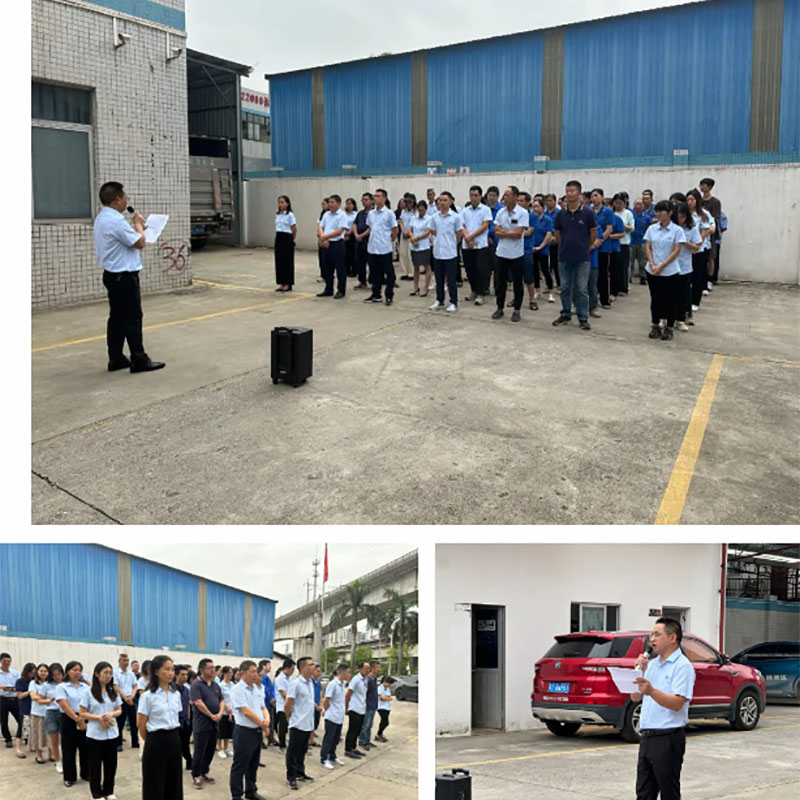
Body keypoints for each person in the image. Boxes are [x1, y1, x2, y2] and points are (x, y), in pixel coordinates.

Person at [94, 181, 164, 373]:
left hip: (112, 275)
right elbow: (139, 242)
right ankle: (139, 359)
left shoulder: (102, 218)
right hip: (123, 277)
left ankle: (116, 358)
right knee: (133, 317)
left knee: (117, 317)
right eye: (126, 198)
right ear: (117, 200)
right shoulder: (115, 221)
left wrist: (135, 227)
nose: (127, 201)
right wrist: (139, 225)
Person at [631, 617, 696, 800]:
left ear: (672, 637)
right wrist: (638, 672)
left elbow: (677, 703)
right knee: (644, 793)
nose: (652, 639)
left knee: (669, 793)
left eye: (657, 635)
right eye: (651, 635)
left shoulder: (682, 666)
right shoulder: (651, 665)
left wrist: (651, 691)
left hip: (668, 738)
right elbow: (635, 697)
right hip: (647, 736)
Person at [137, 654, 183, 800]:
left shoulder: (176, 694)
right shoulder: (147, 696)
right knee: (154, 782)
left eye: (172, 669)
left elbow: (177, 716)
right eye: (166, 669)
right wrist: (152, 740)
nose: (171, 673)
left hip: (174, 739)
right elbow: (141, 724)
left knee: (174, 781)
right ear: (156, 671)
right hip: (156, 741)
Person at [552, 180, 597, 331]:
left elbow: (593, 232)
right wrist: (565, 244)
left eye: (572, 191)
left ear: (579, 193)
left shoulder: (588, 213)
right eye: (567, 191)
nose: (569, 194)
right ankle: (565, 313)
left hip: (582, 257)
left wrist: (587, 245)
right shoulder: (561, 214)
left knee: (582, 289)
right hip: (564, 256)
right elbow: (557, 233)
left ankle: (583, 317)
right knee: (565, 287)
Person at [79, 661, 122, 800]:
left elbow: (119, 710)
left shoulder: (113, 692)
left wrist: (111, 714)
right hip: (95, 735)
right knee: (95, 766)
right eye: (105, 673)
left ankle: (109, 791)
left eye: (110, 673)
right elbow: (82, 713)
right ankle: (96, 794)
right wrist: (98, 717)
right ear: (97, 674)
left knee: (111, 765)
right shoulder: (88, 692)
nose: (108, 676)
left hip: (112, 733)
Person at [644, 200, 685, 341]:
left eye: (661, 211)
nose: (658, 214)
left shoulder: (677, 230)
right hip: (652, 270)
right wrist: (652, 263)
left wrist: (661, 266)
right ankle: (655, 324)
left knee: (670, 300)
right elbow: (648, 246)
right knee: (655, 298)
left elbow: (676, 250)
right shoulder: (652, 229)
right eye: (657, 211)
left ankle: (669, 327)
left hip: (670, 271)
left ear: (670, 213)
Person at [229, 660, 270, 800]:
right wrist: (262, 723)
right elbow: (246, 711)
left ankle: (251, 790)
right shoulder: (237, 690)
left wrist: (267, 720)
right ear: (242, 673)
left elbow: (263, 707)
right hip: (244, 732)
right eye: (252, 672)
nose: (255, 675)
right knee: (240, 765)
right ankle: (236, 795)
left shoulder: (257, 689)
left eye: (256, 672)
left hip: (256, 731)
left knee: (253, 764)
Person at [491, 186, 529, 323]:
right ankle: (499, 307)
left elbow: (518, 234)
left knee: (517, 283)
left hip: (516, 254)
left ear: (515, 196)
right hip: (501, 252)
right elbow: (496, 231)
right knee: (500, 282)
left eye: (507, 195)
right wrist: (508, 233)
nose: (505, 198)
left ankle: (517, 310)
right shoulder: (501, 212)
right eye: (504, 195)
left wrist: (504, 232)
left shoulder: (522, 213)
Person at [189, 657, 225, 790]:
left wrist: (220, 713)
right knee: (199, 751)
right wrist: (211, 715)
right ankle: (196, 774)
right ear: (201, 670)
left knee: (210, 750)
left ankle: (205, 771)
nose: (213, 670)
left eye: (213, 668)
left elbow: (222, 701)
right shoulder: (196, 685)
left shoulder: (215, 685)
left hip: (214, 723)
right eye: (210, 668)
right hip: (202, 724)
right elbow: (198, 703)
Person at [427, 193, 464, 312]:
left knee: (451, 280)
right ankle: (440, 300)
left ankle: (453, 302)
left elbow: (459, 233)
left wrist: (451, 242)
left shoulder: (455, 217)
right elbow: (432, 231)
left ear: (450, 202)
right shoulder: (434, 217)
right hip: (438, 252)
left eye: (445, 200)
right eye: (440, 200)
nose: (442, 202)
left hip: (450, 253)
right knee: (439, 279)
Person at [284, 656, 316, 790]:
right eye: (311, 665)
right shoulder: (295, 684)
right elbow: (288, 704)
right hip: (297, 723)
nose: (314, 667)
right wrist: (289, 717)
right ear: (303, 668)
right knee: (293, 752)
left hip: (307, 723)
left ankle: (300, 772)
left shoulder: (310, 683)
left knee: (302, 751)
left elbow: (308, 703)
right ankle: (291, 777)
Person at [363, 189, 399, 306]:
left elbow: (395, 230)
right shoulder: (371, 214)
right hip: (373, 248)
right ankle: (376, 294)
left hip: (385, 248)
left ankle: (389, 295)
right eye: (374, 196)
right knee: (374, 273)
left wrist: (390, 240)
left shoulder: (389, 213)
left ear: (384, 198)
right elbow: (370, 227)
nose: (375, 198)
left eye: (378, 196)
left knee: (389, 273)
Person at [57, 661, 89, 787]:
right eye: (74, 670)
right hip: (69, 718)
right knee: (69, 748)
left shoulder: (85, 687)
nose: (77, 672)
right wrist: (77, 719)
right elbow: (64, 705)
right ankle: (69, 777)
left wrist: (83, 718)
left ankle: (86, 773)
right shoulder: (62, 687)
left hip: (84, 716)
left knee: (85, 747)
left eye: (79, 670)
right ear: (68, 672)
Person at [460, 185, 492, 305]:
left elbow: (485, 225)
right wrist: (467, 238)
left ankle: (481, 293)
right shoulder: (465, 211)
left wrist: (471, 237)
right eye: (471, 195)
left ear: (480, 196)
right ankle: (474, 290)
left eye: (476, 195)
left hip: (480, 245)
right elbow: (462, 225)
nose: (473, 197)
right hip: (467, 245)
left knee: (481, 270)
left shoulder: (485, 210)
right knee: (470, 269)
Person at [673, 203, 702, 332]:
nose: (681, 219)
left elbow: (697, 247)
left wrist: (686, 242)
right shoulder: (670, 228)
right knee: (669, 294)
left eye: (683, 217)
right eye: (678, 216)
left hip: (684, 266)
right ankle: (667, 318)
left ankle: (681, 319)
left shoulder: (692, 229)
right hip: (669, 266)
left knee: (683, 295)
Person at [686, 188, 715, 313]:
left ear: (697, 200)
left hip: (698, 249)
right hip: (685, 249)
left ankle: (695, 301)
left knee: (697, 276)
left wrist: (697, 243)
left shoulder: (703, 214)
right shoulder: (683, 213)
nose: (690, 202)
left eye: (692, 200)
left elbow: (705, 231)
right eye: (688, 200)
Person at [316, 194, 348, 299]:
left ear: (339, 203)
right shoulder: (326, 215)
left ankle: (341, 290)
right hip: (326, 244)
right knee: (327, 268)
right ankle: (328, 289)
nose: (330, 204)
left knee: (340, 269)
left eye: (332, 202)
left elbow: (340, 231)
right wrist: (323, 238)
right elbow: (320, 226)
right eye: (329, 202)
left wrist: (325, 236)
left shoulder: (342, 215)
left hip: (337, 244)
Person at [589, 189, 615, 309]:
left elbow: (609, 229)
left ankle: (605, 299)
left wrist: (600, 240)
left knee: (603, 273)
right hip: (590, 246)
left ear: (602, 197)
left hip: (603, 246)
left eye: (596, 195)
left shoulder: (608, 211)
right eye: (592, 196)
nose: (593, 198)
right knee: (592, 274)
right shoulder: (588, 210)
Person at [320, 663, 348, 770]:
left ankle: (332, 756)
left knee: (336, 739)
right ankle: (324, 759)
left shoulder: (342, 684)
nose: (348, 674)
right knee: (328, 739)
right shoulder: (333, 684)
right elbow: (327, 699)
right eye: (347, 672)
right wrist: (326, 710)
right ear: (342, 672)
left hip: (339, 717)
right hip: (332, 716)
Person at [530, 197, 555, 304]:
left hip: (543, 249)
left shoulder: (547, 220)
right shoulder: (531, 219)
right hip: (532, 248)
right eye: (533, 207)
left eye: (537, 206)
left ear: (542, 207)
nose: (535, 209)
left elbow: (549, 234)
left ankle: (550, 292)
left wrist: (541, 246)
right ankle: (537, 290)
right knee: (534, 270)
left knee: (545, 270)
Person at [699, 178, 722, 289]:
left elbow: (715, 217)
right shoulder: (698, 200)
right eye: (700, 185)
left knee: (711, 257)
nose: (701, 187)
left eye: (703, 185)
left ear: (709, 187)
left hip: (710, 233)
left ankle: (710, 279)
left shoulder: (715, 202)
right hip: (698, 231)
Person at [113, 652, 139, 752]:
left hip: (131, 699)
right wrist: (125, 698)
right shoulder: (115, 673)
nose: (126, 662)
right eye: (124, 660)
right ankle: (118, 743)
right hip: (121, 700)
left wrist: (132, 696)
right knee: (120, 722)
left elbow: (135, 686)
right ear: (119, 661)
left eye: (127, 660)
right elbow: (116, 687)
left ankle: (135, 742)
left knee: (134, 722)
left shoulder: (131, 674)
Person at [344, 661, 370, 758]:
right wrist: (346, 708)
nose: (368, 670)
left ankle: (353, 748)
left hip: (362, 708)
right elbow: (348, 695)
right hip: (354, 708)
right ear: (360, 669)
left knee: (358, 730)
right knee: (352, 730)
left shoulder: (365, 679)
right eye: (366, 668)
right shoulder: (356, 679)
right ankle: (348, 750)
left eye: (369, 668)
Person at [42, 662, 65, 772]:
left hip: (64, 712)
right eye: (54, 675)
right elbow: (40, 700)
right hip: (51, 712)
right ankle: (58, 761)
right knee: (54, 740)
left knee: (66, 740)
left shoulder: (66, 684)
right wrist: (49, 700)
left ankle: (66, 760)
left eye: (59, 674)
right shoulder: (46, 685)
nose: (57, 677)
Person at [408, 200, 433, 297]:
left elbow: (427, 232)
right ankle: (415, 287)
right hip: (414, 246)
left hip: (424, 245)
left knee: (426, 266)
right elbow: (410, 230)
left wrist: (417, 238)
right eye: (419, 210)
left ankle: (426, 287)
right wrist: (412, 238)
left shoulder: (429, 219)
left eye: (422, 210)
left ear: (426, 210)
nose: (420, 212)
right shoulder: (414, 218)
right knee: (416, 267)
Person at [28, 662, 51, 762]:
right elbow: (33, 696)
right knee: (38, 735)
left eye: (45, 671)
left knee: (51, 734)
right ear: (37, 672)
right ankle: (39, 755)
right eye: (41, 671)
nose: (43, 673)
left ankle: (51, 754)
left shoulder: (51, 683)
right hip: (37, 713)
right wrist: (47, 698)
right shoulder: (33, 683)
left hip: (50, 712)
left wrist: (40, 697)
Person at [274, 194, 297, 292]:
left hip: (287, 237)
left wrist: (292, 239)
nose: (280, 204)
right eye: (279, 202)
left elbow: (294, 229)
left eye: (282, 202)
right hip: (279, 236)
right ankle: (281, 282)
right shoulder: (278, 214)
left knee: (287, 261)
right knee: (279, 261)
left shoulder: (290, 215)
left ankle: (288, 283)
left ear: (287, 204)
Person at [14, 662, 35, 759]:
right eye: (31, 673)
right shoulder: (20, 681)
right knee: (22, 728)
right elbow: (20, 696)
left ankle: (32, 746)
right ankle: (18, 749)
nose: (33, 675)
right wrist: (29, 692)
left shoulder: (35, 681)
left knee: (33, 728)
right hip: (25, 707)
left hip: (35, 708)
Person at [614, 193, 635, 293]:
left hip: (624, 243)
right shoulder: (612, 213)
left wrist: (622, 225)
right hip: (614, 243)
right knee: (615, 267)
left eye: (620, 203)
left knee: (623, 267)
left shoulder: (628, 213)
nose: (618, 205)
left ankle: (623, 287)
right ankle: (615, 287)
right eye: (616, 203)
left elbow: (632, 228)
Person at [358, 661, 381, 751]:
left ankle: (367, 741)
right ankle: (362, 741)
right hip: (367, 706)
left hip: (373, 706)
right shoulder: (368, 680)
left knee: (370, 725)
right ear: (373, 668)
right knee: (365, 725)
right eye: (378, 667)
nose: (379, 669)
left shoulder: (374, 679)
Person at [352, 193, 373, 290]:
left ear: (371, 201)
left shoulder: (373, 213)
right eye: (363, 200)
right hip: (359, 242)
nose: (364, 202)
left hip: (369, 241)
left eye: (366, 199)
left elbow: (371, 227)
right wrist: (356, 234)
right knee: (359, 262)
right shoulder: (360, 213)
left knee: (371, 262)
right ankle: (362, 281)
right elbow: (355, 224)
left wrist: (362, 235)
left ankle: (372, 282)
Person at [174, 664, 193, 771]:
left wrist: (188, 719)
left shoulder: (186, 690)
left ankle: (189, 762)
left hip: (185, 722)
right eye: (182, 675)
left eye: (186, 675)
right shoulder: (172, 689)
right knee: (176, 746)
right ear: (176, 675)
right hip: (175, 722)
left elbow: (188, 705)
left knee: (185, 744)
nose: (185, 677)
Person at [0, 652, 21, 749]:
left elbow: (20, 685)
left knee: (20, 719)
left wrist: (13, 689)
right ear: (1, 661)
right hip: (2, 699)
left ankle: (24, 736)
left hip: (14, 699)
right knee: (4, 721)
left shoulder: (15, 673)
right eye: (5, 661)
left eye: (8, 661)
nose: (7, 663)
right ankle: (8, 739)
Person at [274, 658, 295, 751]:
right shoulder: (280, 679)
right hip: (282, 706)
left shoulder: (290, 679)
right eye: (292, 669)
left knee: (287, 726)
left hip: (290, 706)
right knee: (283, 726)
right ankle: (282, 745)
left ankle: (287, 743)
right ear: (287, 668)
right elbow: (284, 694)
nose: (293, 671)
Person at [631, 198, 651, 285]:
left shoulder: (646, 217)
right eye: (637, 204)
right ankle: (629, 277)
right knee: (630, 261)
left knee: (643, 261)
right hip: (632, 241)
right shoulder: (631, 214)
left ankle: (643, 277)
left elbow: (649, 228)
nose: (638, 206)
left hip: (642, 241)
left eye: (640, 204)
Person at [544, 193, 561, 289]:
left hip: (556, 240)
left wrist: (555, 237)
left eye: (550, 201)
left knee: (556, 263)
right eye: (547, 201)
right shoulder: (544, 213)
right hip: (545, 240)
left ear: (555, 201)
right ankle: (548, 284)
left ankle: (559, 284)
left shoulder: (559, 213)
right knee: (546, 264)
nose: (548, 203)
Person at [398, 193, 416, 281]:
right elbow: (401, 222)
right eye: (406, 202)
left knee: (409, 255)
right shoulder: (403, 212)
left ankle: (411, 273)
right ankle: (403, 272)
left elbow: (414, 224)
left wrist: (408, 232)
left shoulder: (415, 213)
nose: (408, 203)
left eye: (409, 202)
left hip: (411, 235)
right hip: (403, 235)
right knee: (402, 254)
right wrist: (403, 231)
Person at [258, 660, 276, 747]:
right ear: (263, 666)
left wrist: (273, 698)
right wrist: (270, 699)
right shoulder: (261, 678)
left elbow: (272, 689)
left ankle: (270, 739)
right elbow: (264, 691)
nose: (270, 667)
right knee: (262, 722)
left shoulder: (268, 678)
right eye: (268, 665)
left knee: (270, 722)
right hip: (264, 703)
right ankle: (260, 741)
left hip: (269, 704)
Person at [343, 198, 358, 278]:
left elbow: (355, 224)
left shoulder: (356, 214)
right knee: (345, 254)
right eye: (347, 204)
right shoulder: (343, 214)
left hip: (352, 234)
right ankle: (346, 270)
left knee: (353, 254)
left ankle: (354, 270)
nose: (348, 205)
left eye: (350, 204)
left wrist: (349, 232)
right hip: (344, 234)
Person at [375, 675, 393, 742]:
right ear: (385, 682)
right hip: (381, 707)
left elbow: (390, 697)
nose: (389, 685)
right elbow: (382, 698)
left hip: (387, 707)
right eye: (389, 683)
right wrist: (387, 698)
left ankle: (380, 734)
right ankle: (378, 734)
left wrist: (387, 698)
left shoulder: (387, 689)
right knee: (385, 722)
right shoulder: (380, 688)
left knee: (383, 721)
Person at [309, 663, 323, 747]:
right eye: (317, 671)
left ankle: (311, 740)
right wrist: (315, 705)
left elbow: (320, 694)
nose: (319, 673)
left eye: (320, 671)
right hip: (311, 706)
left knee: (315, 723)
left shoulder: (318, 682)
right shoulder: (309, 682)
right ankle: (309, 740)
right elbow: (309, 696)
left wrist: (320, 705)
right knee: (310, 723)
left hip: (317, 706)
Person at [316, 198, 329, 282]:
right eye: (322, 204)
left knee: (327, 259)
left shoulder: (330, 215)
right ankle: (323, 274)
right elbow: (319, 226)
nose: (323, 205)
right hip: (321, 238)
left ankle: (328, 275)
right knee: (321, 258)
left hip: (328, 238)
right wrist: (319, 237)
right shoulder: (322, 214)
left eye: (324, 204)